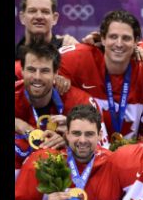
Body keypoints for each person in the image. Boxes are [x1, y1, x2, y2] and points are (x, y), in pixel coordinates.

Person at [58, 10, 143, 140]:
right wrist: (56, 77)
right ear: (103, 39)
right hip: (86, 151)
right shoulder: (75, 59)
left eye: (126, 38)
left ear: (136, 42)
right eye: (113, 37)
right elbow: (40, 68)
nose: (119, 44)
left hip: (131, 156)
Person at [15, 42, 100, 179]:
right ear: (22, 71)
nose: (37, 77)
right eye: (31, 70)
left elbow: (103, 149)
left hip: (66, 185)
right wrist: (19, 124)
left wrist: (72, 138)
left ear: (56, 73)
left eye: (44, 71)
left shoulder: (80, 102)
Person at [15, 0, 78, 79]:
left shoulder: (70, 51)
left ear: (55, 18)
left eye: (45, 11)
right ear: (22, 17)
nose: (39, 16)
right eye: (32, 11)